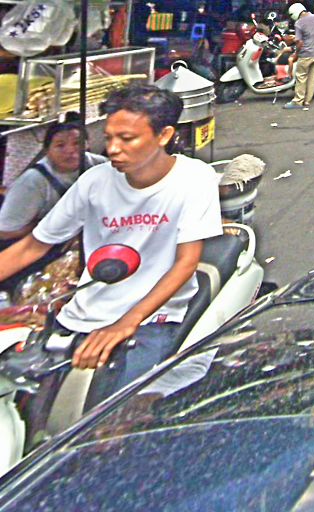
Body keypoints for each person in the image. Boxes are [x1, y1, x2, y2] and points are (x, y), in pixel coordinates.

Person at [0, 85, 223, 400]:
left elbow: (186, 262)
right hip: (81, 316)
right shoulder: (94, 181)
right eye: (109, 138)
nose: (114, 149)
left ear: (164, 135)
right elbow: (33, 246)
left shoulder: (194, 178)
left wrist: (128, 321)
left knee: (117, 411)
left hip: (153, 320)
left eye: (127, 139)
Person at [0, 121, 107, 291]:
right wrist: (46, 225)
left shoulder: (99, 165)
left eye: (77, 143)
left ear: (87, 144)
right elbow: (5, 231)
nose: (70, 150)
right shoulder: (31, 183)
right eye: (60, 145)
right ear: (47, 150)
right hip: (32, 252)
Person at [283, 3, 314, 110]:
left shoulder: (299, 23)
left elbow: (299, 42)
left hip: (307, 54)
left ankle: (298, 101)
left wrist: (296, 53)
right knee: (312, 78)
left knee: (301, 77)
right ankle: (307, 101)